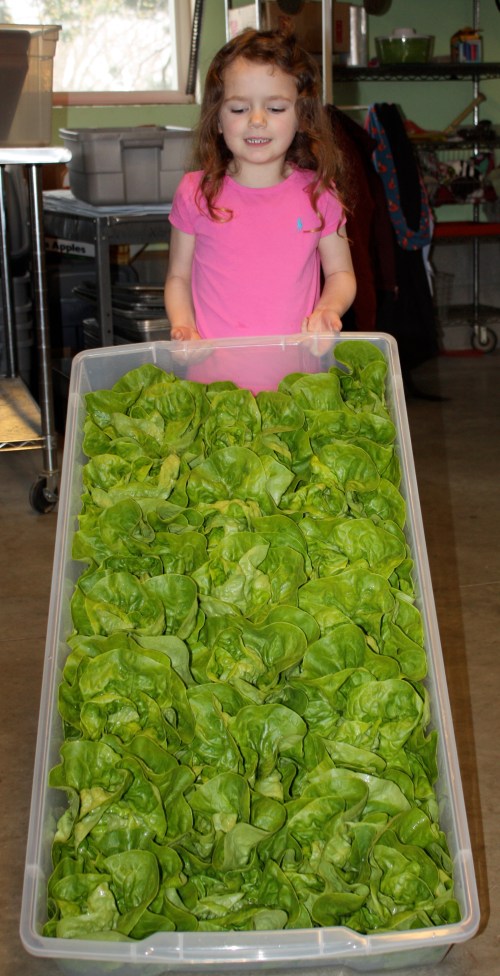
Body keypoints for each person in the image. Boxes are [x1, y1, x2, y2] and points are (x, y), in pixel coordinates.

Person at [164, 24, 356, 354]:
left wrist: (328, 309)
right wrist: (183, 325)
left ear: (301, 117)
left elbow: (340, 273)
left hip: (295, 383)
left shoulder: (319, 194)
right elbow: (177, 278)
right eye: (239, 109)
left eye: (276, 108)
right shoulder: (195, 193)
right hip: (216, 386)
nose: (256, 120)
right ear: (218, 119)